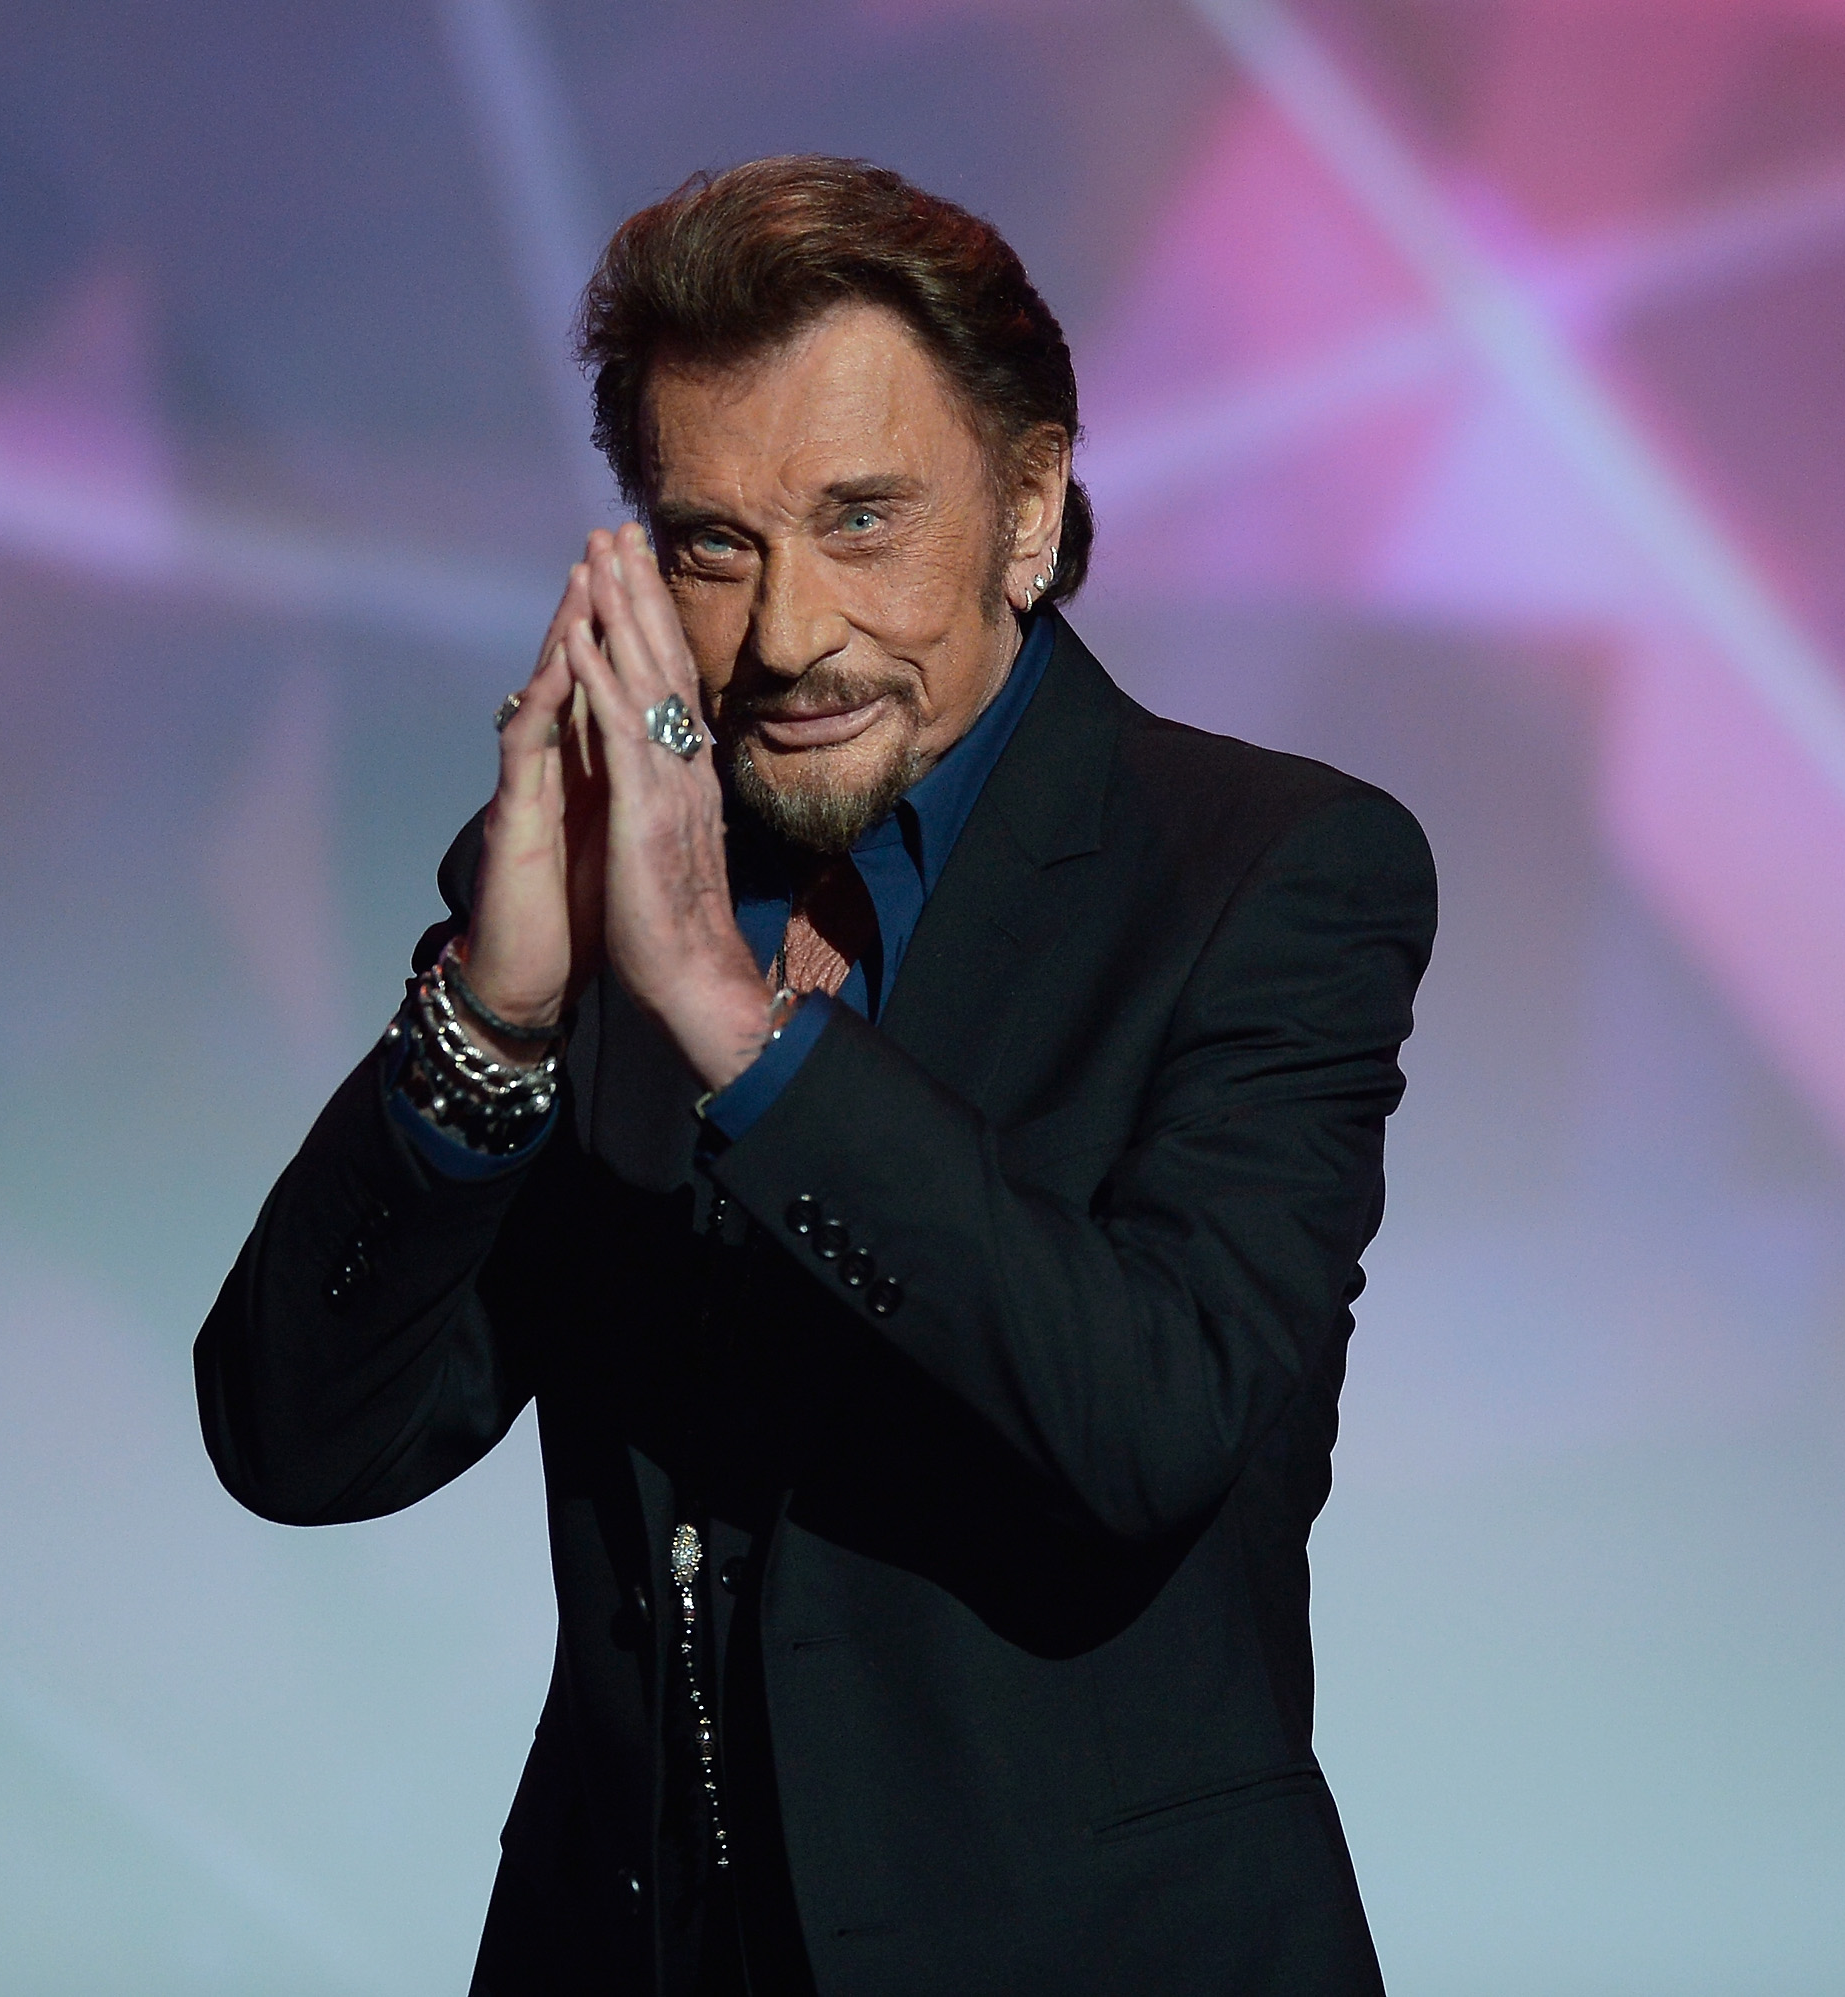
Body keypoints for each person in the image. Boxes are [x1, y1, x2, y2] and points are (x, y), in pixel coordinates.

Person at [193, 157, 1434, 1996]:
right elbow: (300, 1442)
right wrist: (494, 1018)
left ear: (1029, 507)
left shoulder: (1269, 871)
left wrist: (736, 1021)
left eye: (862, 523)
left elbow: (1150, 1416)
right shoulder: (588, 881)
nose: (783, 638)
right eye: (714, 544)